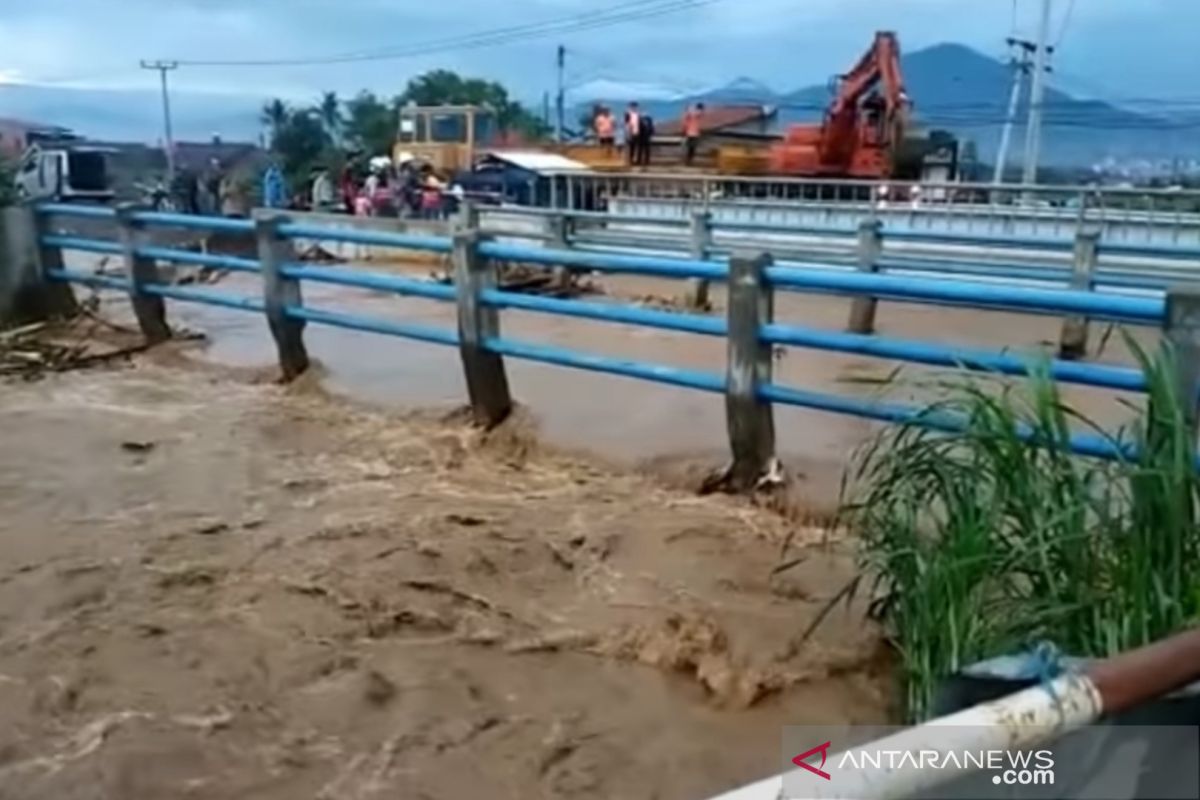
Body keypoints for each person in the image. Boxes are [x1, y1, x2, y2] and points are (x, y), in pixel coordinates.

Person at [683, 102, 704, 166]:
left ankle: (688, 160)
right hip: (694, 133)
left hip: (689, 133)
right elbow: (697, 113)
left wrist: (688, 108)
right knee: (692, 148)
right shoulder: (697, 114)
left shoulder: (691, 114)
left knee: (690, 148)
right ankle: (689, 160)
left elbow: (686, 120)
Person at [623, 102, 641, 166]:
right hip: (630, 132)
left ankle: (635, 160)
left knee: (636, 147)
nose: (634, 107)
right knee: (630, 147)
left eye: (635, 106)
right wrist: (628, 131)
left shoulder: (638, 114)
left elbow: (639, 123)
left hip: (637, 132)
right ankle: (629, 160)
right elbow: (626, 124)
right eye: (633, 106)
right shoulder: (628, 113)